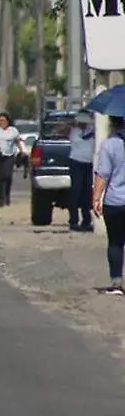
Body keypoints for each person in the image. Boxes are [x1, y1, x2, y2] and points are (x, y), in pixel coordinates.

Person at [93, 115, 125, 292]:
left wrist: (96, 198)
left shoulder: (109, 144)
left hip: (115, 202)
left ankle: (116, 282)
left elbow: (103, 174)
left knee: (115, 242)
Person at [0, 112, 27, 208]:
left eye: (3, 120)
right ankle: (1, 199)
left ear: (8, 121)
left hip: (9, 156)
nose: (1, 122)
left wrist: (22, 151)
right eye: (0, 121)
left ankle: (7, 196)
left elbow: (17, 141)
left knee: (7, 176)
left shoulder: (13, 130)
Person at [68, 110, 96, 232]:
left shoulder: (92, 130)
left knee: (86, 193)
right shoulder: (74, 131)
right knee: (75, 192)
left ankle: (86, 220)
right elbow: (82, 139)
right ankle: (73, 221)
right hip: (76, 163)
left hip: (89, 164)